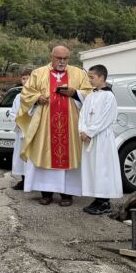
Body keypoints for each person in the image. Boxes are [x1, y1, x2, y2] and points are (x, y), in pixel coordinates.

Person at [16, 45, 94, 206]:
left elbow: (90, 94)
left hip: (71, 125)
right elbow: (26, 94)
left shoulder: (79, 73)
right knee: (44, 155)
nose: (62, 62)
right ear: (52, 57)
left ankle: (67, 195)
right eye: (59, 58)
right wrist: (37, 98)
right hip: (45, 125)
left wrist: (75, 93)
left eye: (65, 58)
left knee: (69, 157)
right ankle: (46, 193)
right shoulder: (38, 73)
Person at [79, 65, 122, 215]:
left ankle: (104, 201)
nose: (89, 80)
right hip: (89, 138)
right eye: (89, 77)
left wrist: (90, 132)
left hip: (102, 137)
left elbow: (106, 118)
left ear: (102, 78)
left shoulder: (109, 97)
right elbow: (83, 115)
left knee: (103, 168)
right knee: (93, 167)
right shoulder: (90, 96)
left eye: (92, 77)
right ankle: (97, 198)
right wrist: (82, 130)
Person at [10, 72, 31, 191]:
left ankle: (32, 181)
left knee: (31, 157)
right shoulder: (18, 97)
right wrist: (18, 122)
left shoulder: (38, 95)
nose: (25, 81)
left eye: (28, 78)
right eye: (23, 78)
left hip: (32, 131)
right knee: (21, 156)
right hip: (21, 130)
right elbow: (13, 113)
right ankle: (23, 180)